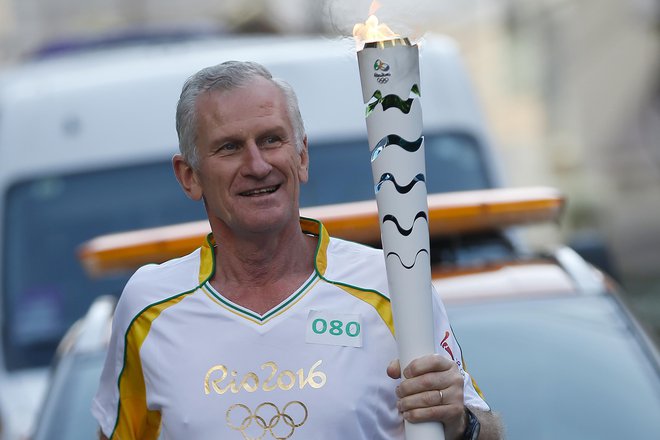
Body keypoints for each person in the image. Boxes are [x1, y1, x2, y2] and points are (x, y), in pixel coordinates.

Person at [92, 61, 503, 440]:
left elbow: (487, 430)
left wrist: (459, 423)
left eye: (271, 140)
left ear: (302, 155)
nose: (257, 165)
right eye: (229, 147)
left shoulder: (392, 285)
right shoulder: (149, 307)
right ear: (189, 176)